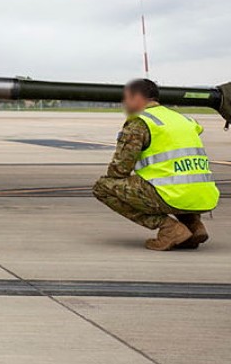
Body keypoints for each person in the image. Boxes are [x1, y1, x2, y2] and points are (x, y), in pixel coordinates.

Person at [93, 79, 220, 251]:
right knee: (174, 183)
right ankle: (194, 226)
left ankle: (169, 229)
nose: (124, 103)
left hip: (171, 194)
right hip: (204, 196)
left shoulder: (140, 122)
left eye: (126, 98)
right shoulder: (184, 119)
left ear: (138, 98)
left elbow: (120, 169)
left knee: (103, 187)